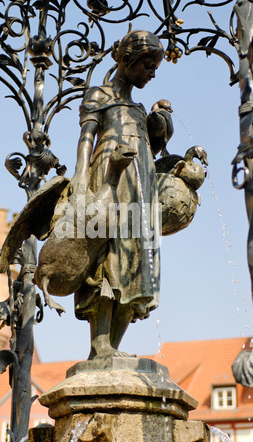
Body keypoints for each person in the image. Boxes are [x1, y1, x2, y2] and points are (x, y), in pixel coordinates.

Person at [71, 30, 173, 360]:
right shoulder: (99, 94)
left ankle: (111, 346)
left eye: (155, 67)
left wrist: (159, 124)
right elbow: (86, 138)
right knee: (105, 255)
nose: (152, 73)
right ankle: (99, 344)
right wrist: (80, 176)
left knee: (137, 259)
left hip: (141, 185)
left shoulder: (140, 107)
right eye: (148, 64)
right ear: (127, 60)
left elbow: (150, 149)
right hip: (110, 176)